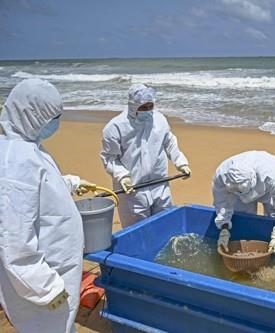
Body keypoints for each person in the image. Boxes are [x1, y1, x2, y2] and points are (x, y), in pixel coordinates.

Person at [0, 79, 95, 333]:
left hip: (51, 277)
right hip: (41, 292)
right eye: (51, 117)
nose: (55, 123)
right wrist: (46, 288)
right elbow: (13, 242)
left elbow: (40, 190)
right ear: (31, 115)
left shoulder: (27, 150)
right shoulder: (16, 162)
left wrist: (72, 184)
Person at [101, 83, 191, 228]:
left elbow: (169, 142)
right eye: (143, 108)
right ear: (132, 106)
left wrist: (181, 162)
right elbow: (109, 158)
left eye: (150, 106)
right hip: (133, 192)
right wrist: (122, 176)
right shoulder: (115, 127)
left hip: (160, 185)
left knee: (165, 226)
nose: (147, 111)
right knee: (139, 231)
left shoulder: (159, 119)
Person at [212, 151, 275, 253]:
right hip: (237, 196)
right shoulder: (221, 175)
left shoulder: (271, 175)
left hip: (267, 191)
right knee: (243, 220)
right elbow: (222, 203)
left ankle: (273, 246)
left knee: (273, 217)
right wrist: (224, 229)